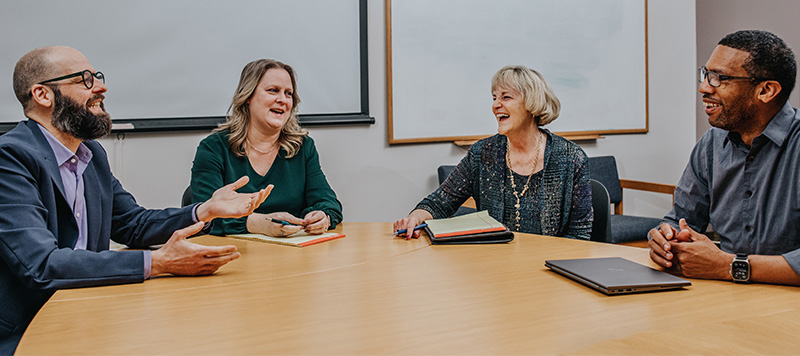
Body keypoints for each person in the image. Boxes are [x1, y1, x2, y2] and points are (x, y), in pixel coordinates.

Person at [0, 46, 272, 354]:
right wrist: (158, 262)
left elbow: (132, 223)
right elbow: (42, 265)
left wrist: (204, 210)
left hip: (88, 312)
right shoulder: (10, 158)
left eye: (97, 77)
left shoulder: (91, 155)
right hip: (30, 331)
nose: (101, 87)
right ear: (43, 95)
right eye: (85, 80)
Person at [648, 30, 800, 285]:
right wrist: (666, 239)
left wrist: (729, 266)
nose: (704, 87)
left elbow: (722, 266)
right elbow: (682, 220)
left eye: (719, 78)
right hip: (726, 299)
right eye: (705, 74)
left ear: (766, 90)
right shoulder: (712, 143)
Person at [393, 65, 592, 239]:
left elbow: (579, 234)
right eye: (494, 97)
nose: (496, 105)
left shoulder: (570, 158)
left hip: (549, 269)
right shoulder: (482, 153)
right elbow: (439, 202)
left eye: (506, 97)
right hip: (494, 267)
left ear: (532, 103)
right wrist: (414, 218)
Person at [191, 59, 342, 238]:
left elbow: (329, 202)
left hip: (295, 256)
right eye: (273, 91)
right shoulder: (213, 148)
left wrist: (322, 217)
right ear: (248, 96)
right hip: (234, 255)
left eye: (288, 94)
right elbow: (204, 216)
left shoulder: (303, 147)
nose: (282, 100)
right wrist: (261, 224)